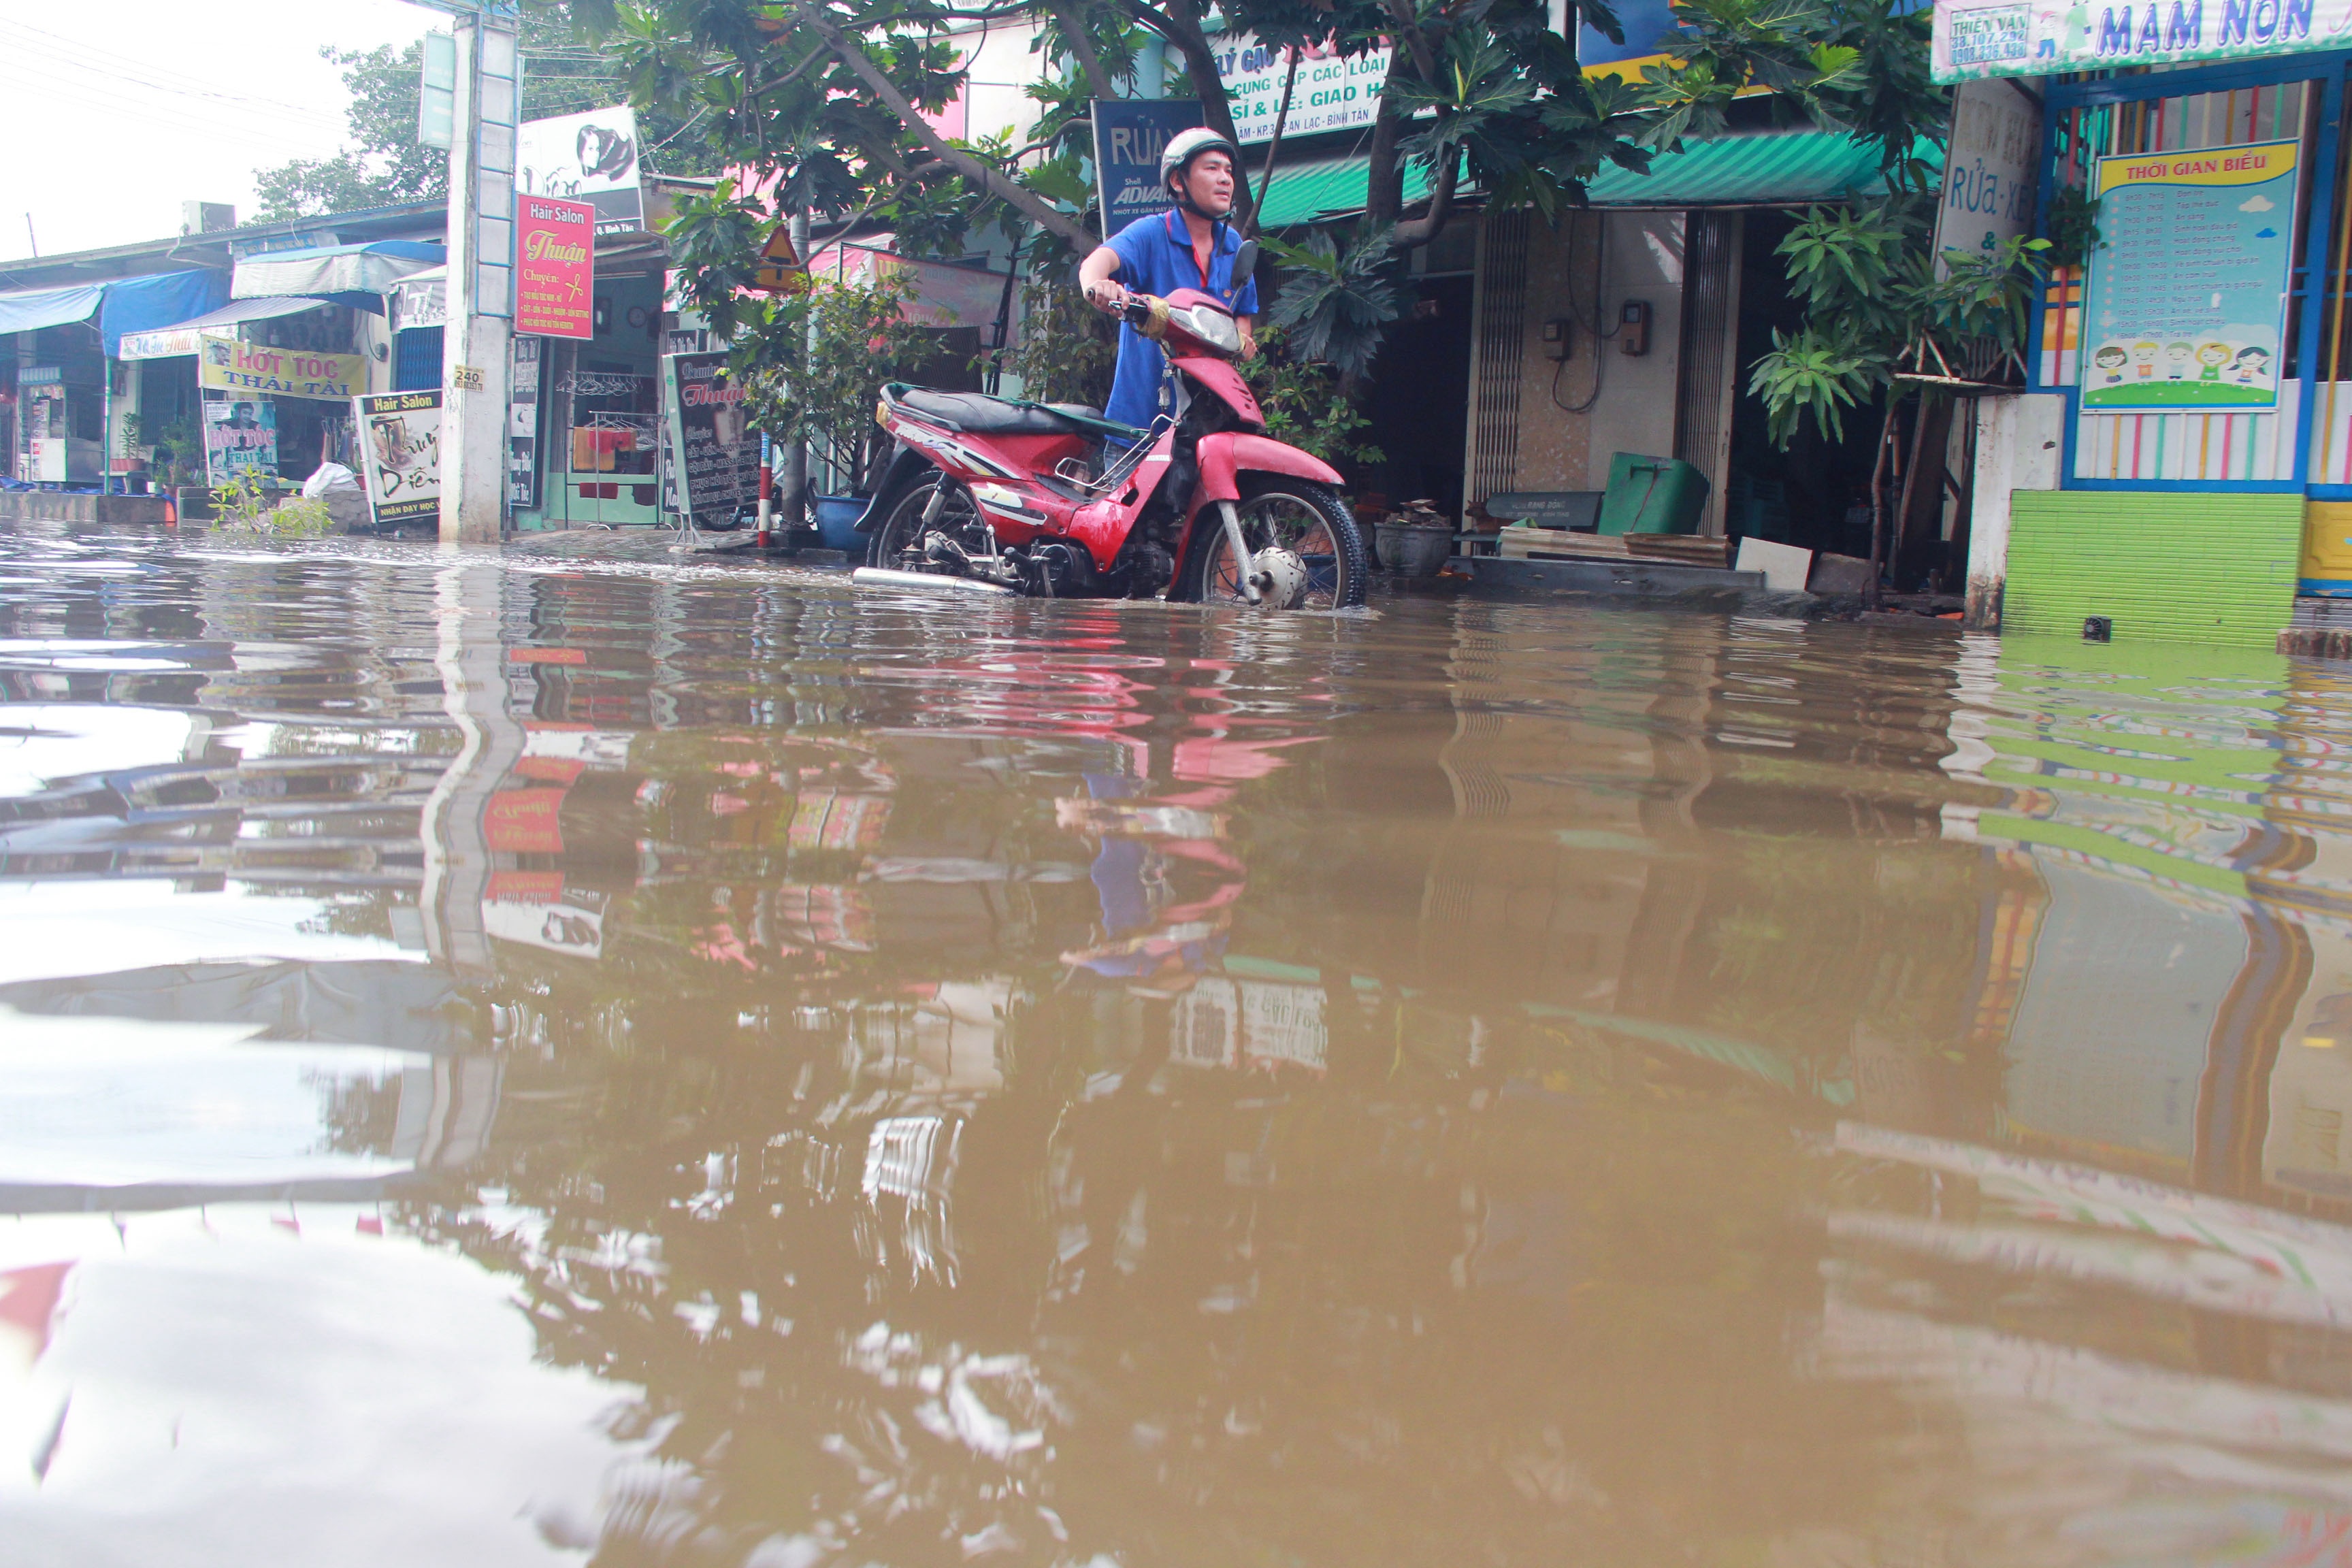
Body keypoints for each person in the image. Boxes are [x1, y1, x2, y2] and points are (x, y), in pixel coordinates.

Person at [1077, 127, 1259, 436]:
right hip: (1139, 424)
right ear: (1178, 181)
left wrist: (1242, 340)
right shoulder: (1152, 233)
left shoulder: (1232, 244)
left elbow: (1241, 311)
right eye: (1212, 168)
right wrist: (1098, 285)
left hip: (1208, 421)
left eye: (1229, 170)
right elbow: (1098, 261)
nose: (1225, 178)